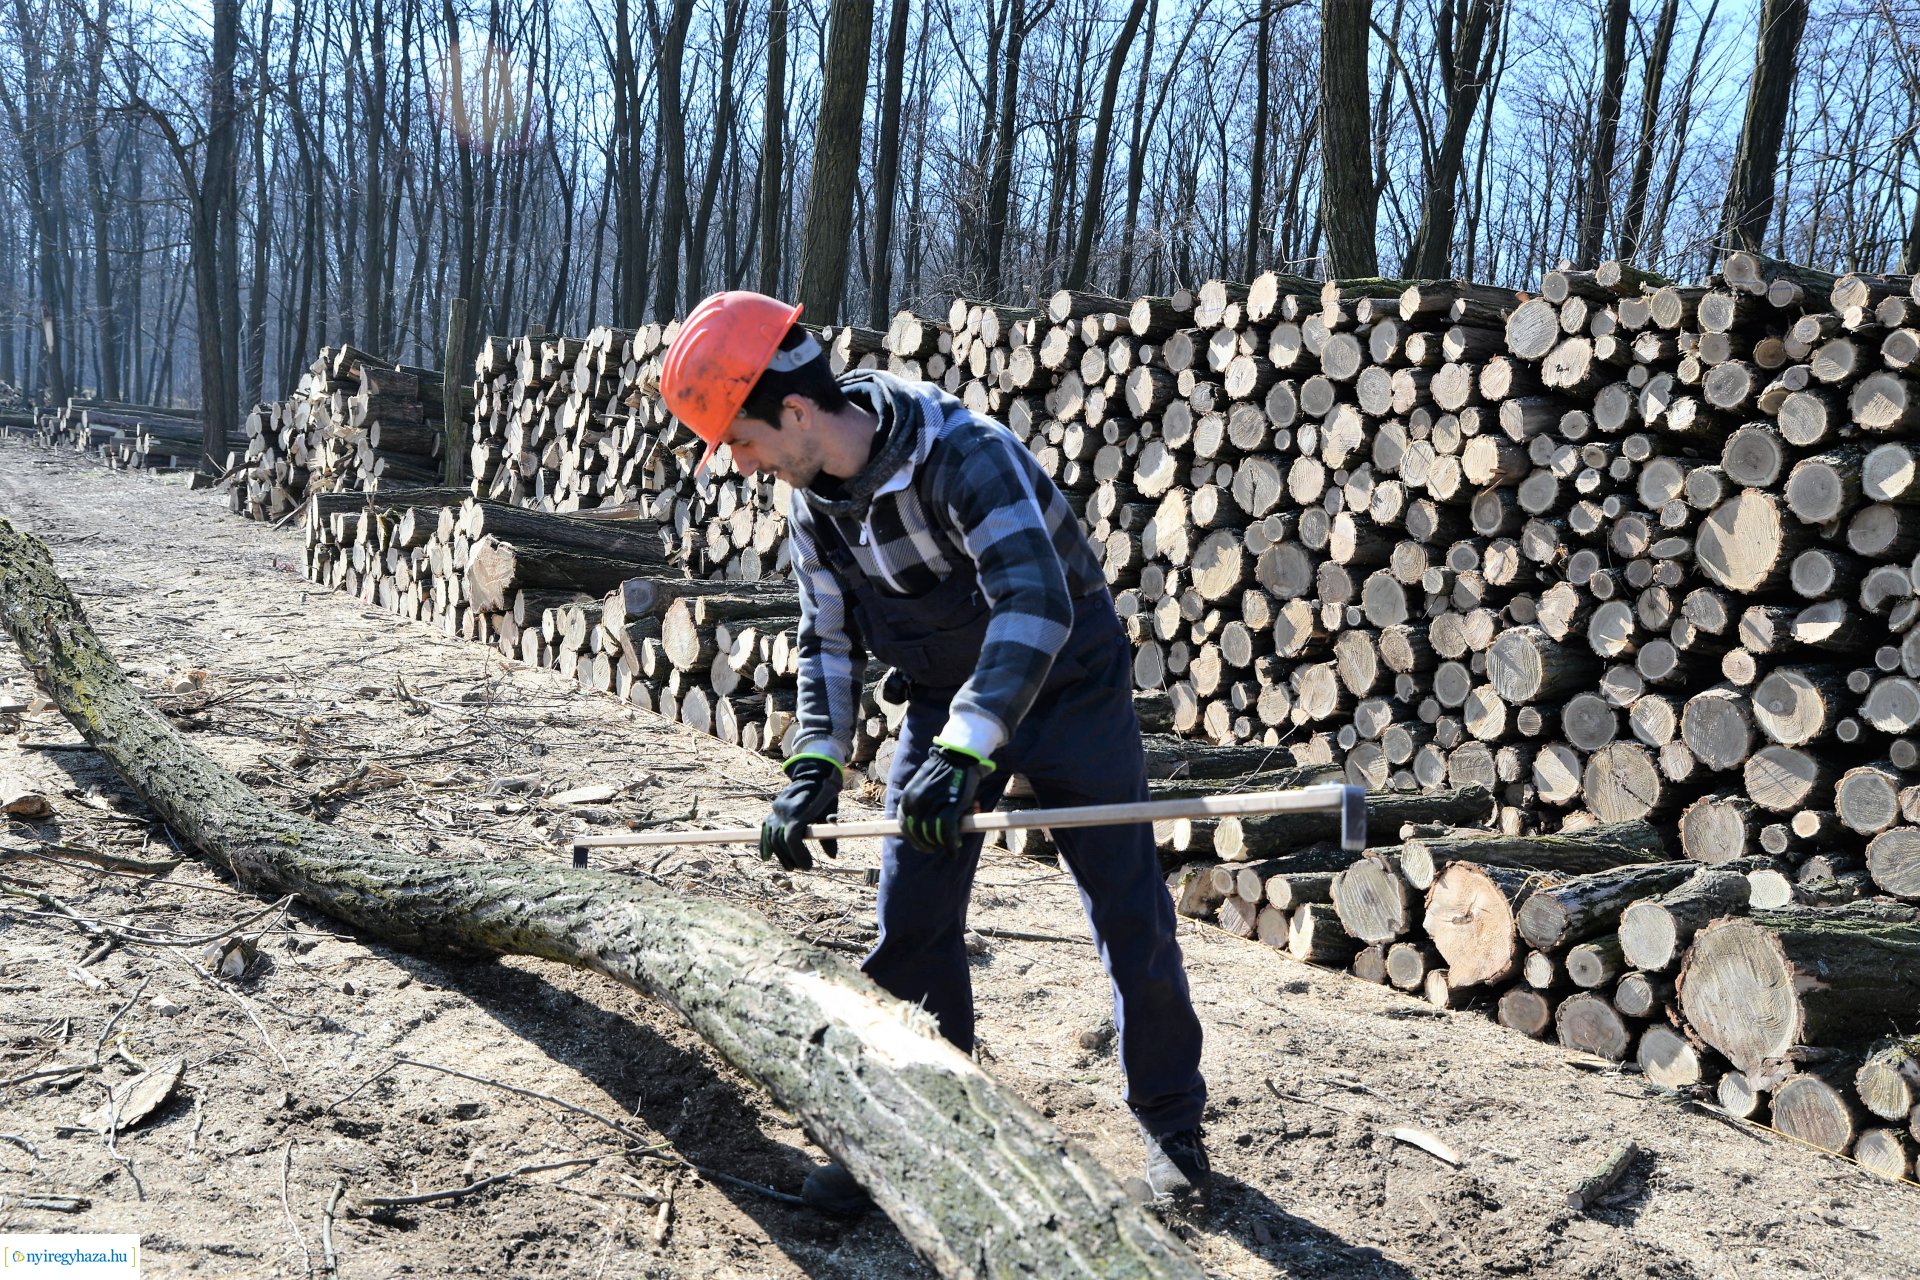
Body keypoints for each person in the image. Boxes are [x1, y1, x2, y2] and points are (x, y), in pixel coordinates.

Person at [659, 290, 1209, 1212]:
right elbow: (824, 638)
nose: (744, 466)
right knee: (910, 915)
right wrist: (814, 764)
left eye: (744, 442)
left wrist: (965, 748)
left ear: (795, 411)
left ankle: (1171, 1129)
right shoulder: (813, 505)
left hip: (1068, 686)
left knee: (1130, 912)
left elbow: (1036, 604)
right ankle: (914, 1124)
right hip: (945, 699)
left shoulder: (965, 455)